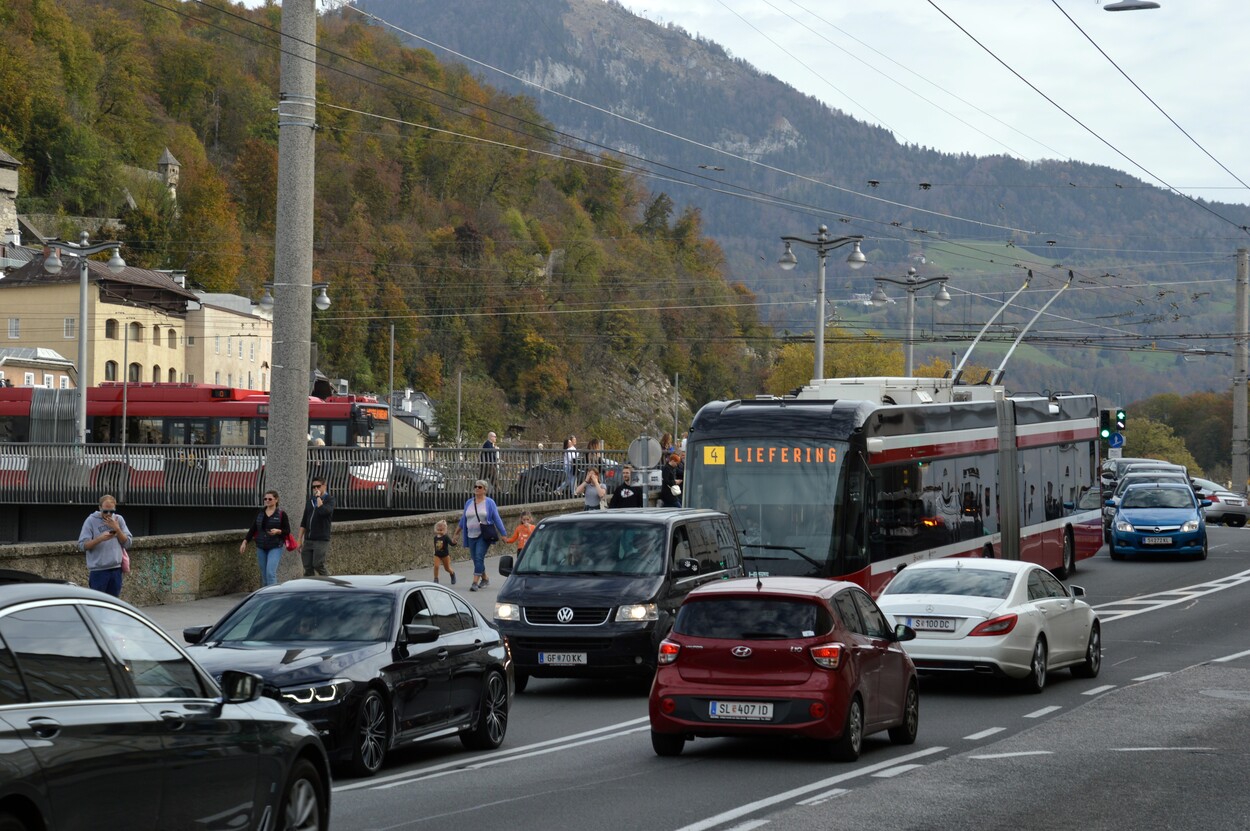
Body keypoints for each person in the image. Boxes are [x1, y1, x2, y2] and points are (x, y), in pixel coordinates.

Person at [77, 494, 132, 597]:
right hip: (98, 571)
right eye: (105, 511)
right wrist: (100, 539)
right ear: (100, 508)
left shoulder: (119, 520)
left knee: (113, 605)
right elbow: (82, 545)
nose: (108, 514)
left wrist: (117, 529)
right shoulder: (90, 521)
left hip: (116, 570)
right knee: (98, 604)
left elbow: (128, 543)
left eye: (111, 511)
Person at [457, 479, 506, 592]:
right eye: (475, 486)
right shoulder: (469, 502)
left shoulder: (489, 502)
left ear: (485, 490)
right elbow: (464, 519)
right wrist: (457, 532)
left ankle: (474, 582)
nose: (476, 489)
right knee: (475, 559)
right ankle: (485, 578)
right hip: (470, 535)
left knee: (479, 557)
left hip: (483, 535)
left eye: (479, 487)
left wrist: (503, 534)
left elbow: (496, 518)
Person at [241, 489, 291, 587]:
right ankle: (265, 597)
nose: (267, 501)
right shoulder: (260, 512)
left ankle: (273, 596)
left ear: (276, 500)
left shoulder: (281, 514)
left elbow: (287, 530)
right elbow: (253, 528)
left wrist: (278, 531)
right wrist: (245, 541)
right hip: (261, 546)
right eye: (265, 499)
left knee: (270, 573)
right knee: (264, 575)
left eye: (270, 499)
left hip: (275, 546)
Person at [298, 476, 335, 576]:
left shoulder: (329, 500)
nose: (315, 489)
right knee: (307, 566)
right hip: (308, 539)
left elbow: (324, 512)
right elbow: (304, 521)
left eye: (318, 486)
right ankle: (309, 588)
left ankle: (330, 584)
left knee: (318, 564)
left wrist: (318, 497)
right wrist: (299, 540)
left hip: (321, 539)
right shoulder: (310, 501)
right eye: (313, 487)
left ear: (324, 486)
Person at [432, 519, 457, 584]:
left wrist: (454, 542)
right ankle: (436, 578)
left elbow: (451, 543)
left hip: (445, 555)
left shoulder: (445, 537)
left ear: (445, 530)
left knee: (447, 568)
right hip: (437, 554)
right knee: (436, 566)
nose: (440, 531)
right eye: (438, 530)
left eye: (441, 530)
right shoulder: (435, 538)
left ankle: (452, 573)